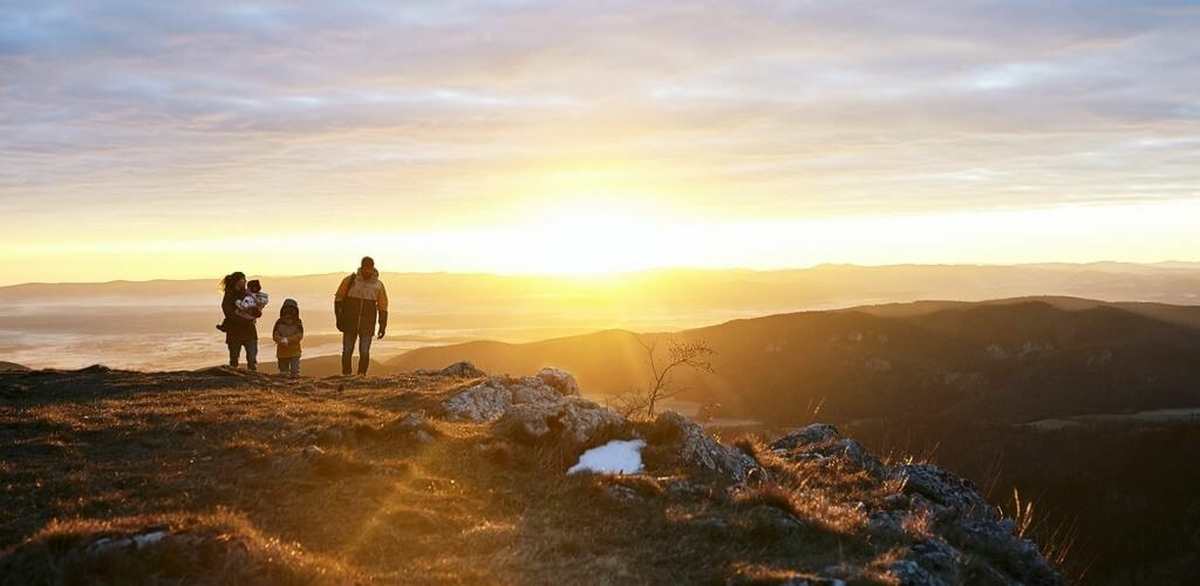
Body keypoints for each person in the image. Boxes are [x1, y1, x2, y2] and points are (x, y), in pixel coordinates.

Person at [334, 256, 388, 376]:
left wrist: (382, 325)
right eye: (365, 268)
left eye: (369, 268)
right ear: (361, 267)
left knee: (364, 352)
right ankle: (346, 374)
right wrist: (339, 318)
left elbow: (383, 306)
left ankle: (361, 375)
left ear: (372, 268)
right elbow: (339, 298)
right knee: (347, 351)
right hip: (350, 323)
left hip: (367, 325)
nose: (367, 271)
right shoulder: (350, 281)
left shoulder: (378, 285)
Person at [219, 271, 258, 370]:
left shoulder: (247, 294)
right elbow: (229, 313)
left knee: (252, 356)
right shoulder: (229, 295)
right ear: (237, 281)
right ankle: (234, 376)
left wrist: (256, 313)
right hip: (235, 330)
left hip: (248, 330)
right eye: (243, 279)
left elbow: (255, 307)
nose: (245, 281)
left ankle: (252, 375)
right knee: (234, 358)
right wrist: (246, 320)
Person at [272, 298, 303, 376]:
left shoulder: (297, 322)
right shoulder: (279, 322)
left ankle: (294, 386)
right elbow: (275, 335)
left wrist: (287, 340)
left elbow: (299, 335)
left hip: (294, 351)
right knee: (283, 373)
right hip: (282, 352)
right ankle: (286, 387)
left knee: (294, 372)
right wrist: (281, 340)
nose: (288, 312)